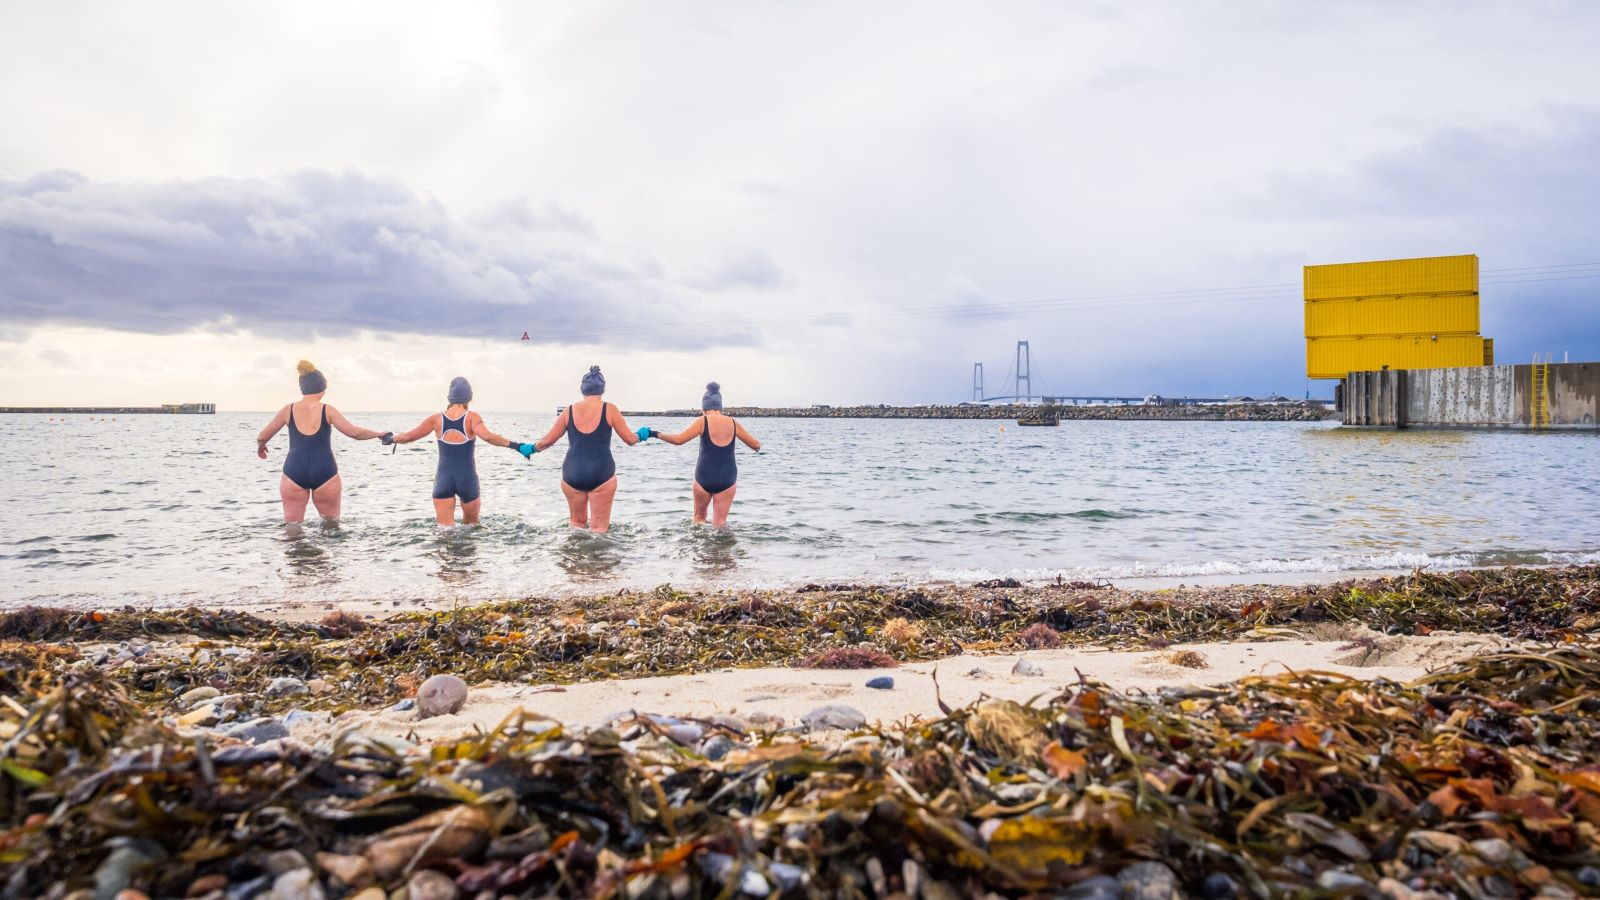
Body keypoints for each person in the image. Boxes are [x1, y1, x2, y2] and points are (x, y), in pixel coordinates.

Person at [386, 376, 536, 525]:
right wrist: (517, 446)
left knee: (445, 532)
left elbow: (408, 436)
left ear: (449, 398)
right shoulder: (472, 418)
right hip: (467, 480)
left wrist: (391, 439)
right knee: (471, 530)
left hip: (443, 480)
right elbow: (488, 437)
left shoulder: (436, 419)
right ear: (469, 398)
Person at [256, 360, 392, 523]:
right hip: (325, 472)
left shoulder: (288, 410)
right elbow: (354, 433)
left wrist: (261, 447)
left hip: (294, 471)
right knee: (331, 528)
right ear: (322, 388)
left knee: (292, 529)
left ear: (302, 388)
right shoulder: (327, 410)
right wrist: (378, 434)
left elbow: (262, 437)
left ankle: (296, 547)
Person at [529, 365, 647, 533]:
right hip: (601, 474)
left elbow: (547, 441)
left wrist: (530, 449)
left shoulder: (568, 411)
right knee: (599, 528)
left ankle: (575, 558)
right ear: (603, 389)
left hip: (572, 474)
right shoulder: (610, 409)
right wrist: (642, 435)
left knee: (576, 524)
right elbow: (629, 439)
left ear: (581, 389)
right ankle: (597, 558)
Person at [648, 381, 761, 527]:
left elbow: (678, 440)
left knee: (699, 518)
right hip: (727, 479)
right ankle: (721, 549)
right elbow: (755, 445)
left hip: (704, 477)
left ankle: (700, 549)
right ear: (720, 408)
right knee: (720, 523)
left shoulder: (702, 421)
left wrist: (654, 434)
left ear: (704, 408)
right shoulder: (733, 423)